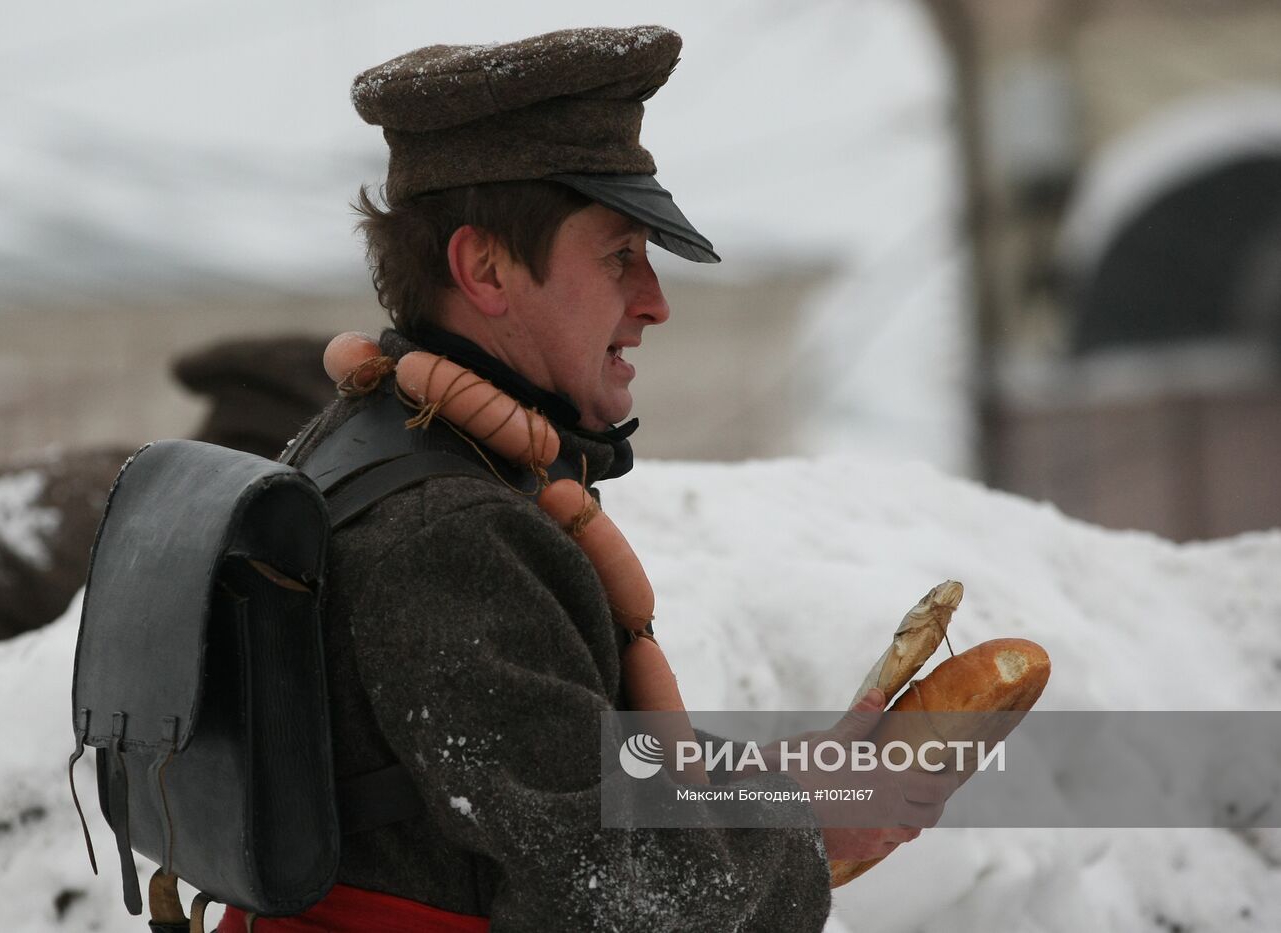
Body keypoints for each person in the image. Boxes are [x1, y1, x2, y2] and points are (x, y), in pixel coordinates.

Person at [221, 26, 953, 932]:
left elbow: (562, 762)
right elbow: (608, 888)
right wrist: (806, 822)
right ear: (484, 267)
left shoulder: (389, 449)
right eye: (619, 257)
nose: (654, 301)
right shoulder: (447, 536)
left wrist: (780, 783)